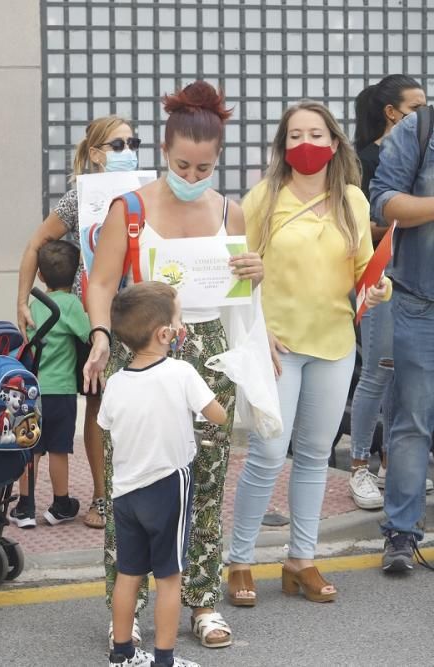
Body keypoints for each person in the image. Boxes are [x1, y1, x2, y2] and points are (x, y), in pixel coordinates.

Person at [83, 82, 261, 649]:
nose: (192, 173)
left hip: (208, 351)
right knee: (130, 484)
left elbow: (240, 293)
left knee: (205, 482)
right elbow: (104, 281)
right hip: (140, 350)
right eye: (183, 163)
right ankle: (126, 608)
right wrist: (101, 337)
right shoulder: (130, 208)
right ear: (164, 151)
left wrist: (255, 271)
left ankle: (202, 602)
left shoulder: (231, 209)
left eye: (204, 165)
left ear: (219, 160)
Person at [228, 101, 388, 602]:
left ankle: (302, 559)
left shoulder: (353, 201)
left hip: (335, 342)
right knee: (269, 453)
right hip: (276, 344)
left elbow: (365, 267)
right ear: (282, 146)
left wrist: (377, 288)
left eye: (316, 134)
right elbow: (237, 272)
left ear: (335, 142)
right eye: (295, 135)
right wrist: (256, 329)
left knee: (316, 455)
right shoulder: (261, 199)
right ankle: (239, 561)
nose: (306, 144)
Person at [16, 115, 140, 529]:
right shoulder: (78, 199)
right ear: (94, 154)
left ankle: (138, 491)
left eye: (132, 143)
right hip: (94, 319)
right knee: (99, 406)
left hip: (141, 317)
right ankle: (102, 497)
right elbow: (36, 242)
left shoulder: (149, 194)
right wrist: (22, 301)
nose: (126, 152)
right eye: (116, 145)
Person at [101, 282, 227, 667]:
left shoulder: (116, 382)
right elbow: (218, 415)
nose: (182, 326)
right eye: (178, 320)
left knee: (129, 572)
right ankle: (165, 660)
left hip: (125, 492)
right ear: (165, 334)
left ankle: (121, 654)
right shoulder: (182, 372)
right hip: (168, 486)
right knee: (170, 575)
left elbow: (106, 423)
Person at [348, 76, 428, 510]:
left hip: (414, 280)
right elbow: (361, 223)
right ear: (391, 112)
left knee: (405, 376)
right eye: (415, 107)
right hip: (378, 277)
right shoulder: (365, 161)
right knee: (378, 370)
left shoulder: (420, 151)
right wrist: (406, 215)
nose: (423, 113)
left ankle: (395, 466)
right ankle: (359, 465)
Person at [370, 77, 434, 573]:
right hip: (420, 301)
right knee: (411, 422)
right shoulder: (419, 128)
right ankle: (401, 533)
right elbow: (383, 202)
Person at [10, 240, 89, 528]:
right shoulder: (72, 306)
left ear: (40, 276)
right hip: (62, 391)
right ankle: (60, 503)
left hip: (32, 389)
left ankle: (25, 506)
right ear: (77, 275)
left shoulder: (33, 305)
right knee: (58, 448)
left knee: (31, 447)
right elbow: (87, 335)